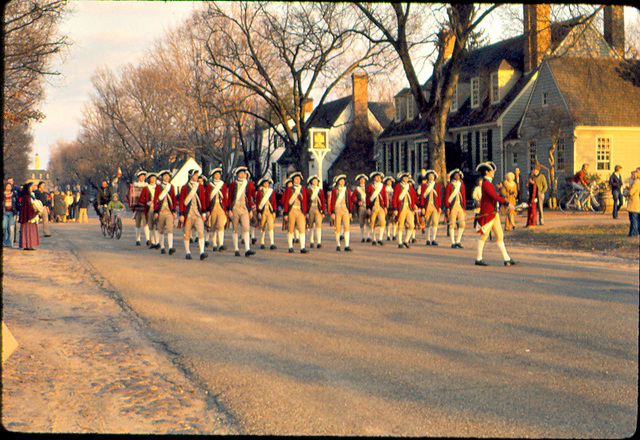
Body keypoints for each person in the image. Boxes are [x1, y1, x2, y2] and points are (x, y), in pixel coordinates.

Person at [474, 162, 517, 266]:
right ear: (487, 172)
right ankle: (478, 258)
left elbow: (495, 197)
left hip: (493, 213)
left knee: (500, 235)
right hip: (488, 214)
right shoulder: (485, 183)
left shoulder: (488, 183)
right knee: (484, 236)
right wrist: (506, 203)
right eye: (492, 171)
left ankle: (506, 258)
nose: (493, 173)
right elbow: (494, 196)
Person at [179, 168, 208, 260]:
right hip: (188, 214)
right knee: (187, 233)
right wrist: (181, 214)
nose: (196, 177)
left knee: (201, 232)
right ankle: (187, 252)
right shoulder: (185, 187)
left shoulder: (200, 187)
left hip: (197, 213)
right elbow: (182, 201)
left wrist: (203, 212)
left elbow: (203, 200)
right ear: (191, 176)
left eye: (197, 175)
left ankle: (202, 252)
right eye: (195, 175)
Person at [227, 166, 256, 257]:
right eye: (241, 173)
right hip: (235, 207)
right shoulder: (232, 184)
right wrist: (229, 210)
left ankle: (247, 249)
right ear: (238, 174)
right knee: (235, 229)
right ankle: (236, 249)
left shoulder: (248, 184)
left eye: (244, 173)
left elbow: (250, 197)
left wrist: (250, 210)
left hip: (244, 208)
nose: (243, 175)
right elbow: (230, 197)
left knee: (246, 228)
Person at [282, 171, 308, 253]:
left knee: (302, 228)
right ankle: (290, 246)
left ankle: (302, 247)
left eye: (299, 179)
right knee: (290, 229)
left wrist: (305, 212)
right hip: (291, 211)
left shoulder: (302, 189)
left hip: (300, 211)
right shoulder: (289, 189)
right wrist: (285, 213)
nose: (298, 180)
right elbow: (286, 202)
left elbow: (305, 201)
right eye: (296, 179)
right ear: (293, 180)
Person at [391, 172, 417, 249]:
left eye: (407, 178)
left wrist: (413, 206)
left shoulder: (410, 187)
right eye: (404, 177)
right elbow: (395, 198)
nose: (405, 179)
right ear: (402, 178)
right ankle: (400, 242)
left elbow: (412, 197)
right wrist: (395, 208)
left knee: (412, 225)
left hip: (408, 208)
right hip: (401, 208)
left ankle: (406, 240)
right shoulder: (398, 186)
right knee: (401, 225)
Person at [154, 170, 177, 255]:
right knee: (161, 229)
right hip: (161, 211)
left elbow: (174, 199)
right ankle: (162, 246)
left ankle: (170, 247)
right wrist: (156, 211)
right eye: (165, 176)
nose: (167, 177)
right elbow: (156, 199)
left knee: (170, 228)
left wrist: (174, 210)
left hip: (169, 210)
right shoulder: (158, 187)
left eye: (168, 176)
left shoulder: (171, 187)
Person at [205, 167, 228, 252]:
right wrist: (207, 210)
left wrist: (226, 209)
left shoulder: (223, 185)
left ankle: (221, 244)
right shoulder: (209, 186)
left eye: (218, 174)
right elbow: (207, 198)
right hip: (213, 207)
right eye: (216, 174)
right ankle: (214, 244)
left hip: (221, 207)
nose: (217, 176)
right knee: (213, 226)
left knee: (221, 225)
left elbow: (225, 197)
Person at [417, 169, 441, 246]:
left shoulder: (437, 185)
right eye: (429, 176)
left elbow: (439, 196)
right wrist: (422, 207)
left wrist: (439, 206)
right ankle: (428, 239)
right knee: (427, 223)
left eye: (432, 176)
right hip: (427, 206)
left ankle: (433, 239)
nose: (431, 177)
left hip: (434, 206)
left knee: (435, 222)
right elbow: (422, 197)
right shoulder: (424, 185)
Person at [329, 174, 352, 251]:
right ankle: (338, 244)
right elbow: (332, 201)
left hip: (345, 209)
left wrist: (350, 211)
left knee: (346, 227)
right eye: (340, 181)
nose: (342, 182)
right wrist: (332, 212)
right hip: (337, 209)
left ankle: (347, 245)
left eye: (343, 181)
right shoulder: (335, 191)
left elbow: (349, 201)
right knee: (337, 228)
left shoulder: (346, 190)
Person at [444, 169, 466, 249]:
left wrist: (464, 206)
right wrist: (447, 208)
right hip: (452, 207)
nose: (457, 176)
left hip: (459, 206)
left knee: (462, 224)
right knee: (452, 224)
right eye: (456, 175)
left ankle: (458, 241)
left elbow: (463, 196)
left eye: (458, 175)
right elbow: (447, 197)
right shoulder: (450, 185)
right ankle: (453, 242)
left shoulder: (461, 185)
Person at [138, 172, 160, 248]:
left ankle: (157, 241)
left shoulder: (159, 187)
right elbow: (141, 199)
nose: (153, 180)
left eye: (154, 178)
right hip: (150, 208)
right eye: (151, 178)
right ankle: (152, 241)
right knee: (150, 225)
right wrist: (146, 202)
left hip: (158, 207)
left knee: (157, 225)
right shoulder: (146, 188)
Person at [256, 176, 277, 250]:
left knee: (271, 227)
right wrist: (258, 212)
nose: (266, 184)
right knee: (263, 227)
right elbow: (258, 202)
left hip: (270, 211)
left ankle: (272, 243)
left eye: (267, 183)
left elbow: (274, 201)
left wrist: (274, 211)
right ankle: (262, 242)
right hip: (263, 211)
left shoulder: (271, 191)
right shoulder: (260, 192)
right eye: (265, 183)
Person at [366, 171, 387, 246]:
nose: (378, 178)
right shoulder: (370, 186)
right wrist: (368, 207)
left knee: (383, 222)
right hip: (373, 207)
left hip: (380, 207)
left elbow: (384, 196)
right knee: (372, 223)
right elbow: (368, 197)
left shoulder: (382, 186)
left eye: (379, 177)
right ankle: (373, 239)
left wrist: (385, 207)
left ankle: (380, 239)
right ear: (374, 178)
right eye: (376, 177)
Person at [18, 182, 41, 251]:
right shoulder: (27, 197)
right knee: (28, 231)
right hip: (28, 217)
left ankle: (28, 245)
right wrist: (35, 212)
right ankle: (28, 245)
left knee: (28, 231)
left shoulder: (29, 196)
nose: (32, 188)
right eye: (31, 187)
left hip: (27, 216)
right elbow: (29, 207)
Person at [128, 172, 147, 246]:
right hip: (137, 207)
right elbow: (130, 196)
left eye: (143, 176)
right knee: (137, 224)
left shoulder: (146, 186)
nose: (142, 178)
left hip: (145, 207)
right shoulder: (134, 186)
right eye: (141, 176)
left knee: (146, 223)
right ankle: (138, 239)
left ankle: (148, 239)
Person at [306, 175, 325, 249]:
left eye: (316, 181)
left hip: (318, 209)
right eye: (313, 181)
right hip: (310, 209)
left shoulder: (320, 191)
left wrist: (323, 211)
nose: (315, 182)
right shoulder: (308, 190)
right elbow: (307, 201)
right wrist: (306, 212)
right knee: (311, 226)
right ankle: (311, 241)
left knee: (318, 225)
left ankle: (319, 242)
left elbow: (322, 201)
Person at [351, 174, 371, 243]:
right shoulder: (357, 189)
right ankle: (363, 237)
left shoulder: (368, 187)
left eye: (363, 180)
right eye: (360, 180)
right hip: (361, 207)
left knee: (368, 222)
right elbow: (352, 198)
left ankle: (368, 236)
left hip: (368, 206)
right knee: (362, 222)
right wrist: (357, 202)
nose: (362, 181)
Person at [3, 182, 19, 247]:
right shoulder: (3, 194)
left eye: (10, 186)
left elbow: (17, 203)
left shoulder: (14, 194)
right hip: (4, 212)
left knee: (11, 228)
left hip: (12, 212)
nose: (9, 187)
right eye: (8, 186)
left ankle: (9, 242)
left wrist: (16, 211)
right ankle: (4, 241)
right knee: (4, 227)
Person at [626, 169, 639, 237]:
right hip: (633, 202)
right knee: (632, 218)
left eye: (632, 174)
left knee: (634, 219)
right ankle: (632, 233)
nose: (631, 176)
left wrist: (627, 191)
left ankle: (635, 233)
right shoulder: (634, 182)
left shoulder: (636, 182)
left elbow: (631, 192)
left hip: (634, 202)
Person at [383, 176, 397, 241]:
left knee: (394, 221)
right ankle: (388, 235)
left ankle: (394, 235)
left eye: (390, 182)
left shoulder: (393, 190)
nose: (389, 183)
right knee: (387, 221)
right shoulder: (384, 190)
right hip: (386, 207)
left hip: (392, 207)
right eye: (388, 181)